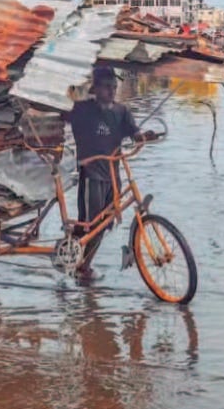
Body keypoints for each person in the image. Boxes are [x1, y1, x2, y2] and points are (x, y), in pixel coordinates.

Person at [66, 67, 159, 277]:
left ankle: (83, 264)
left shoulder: (121, 112)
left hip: (113, 176)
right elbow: (59, 114)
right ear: (96, 88)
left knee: (104, 224)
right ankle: (81, 263)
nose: (112, 91)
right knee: (91, 223)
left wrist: (144, 137)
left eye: (114, 87)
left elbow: (135, 134)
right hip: (91, 174)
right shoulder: (82, 110)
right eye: (107, 87)